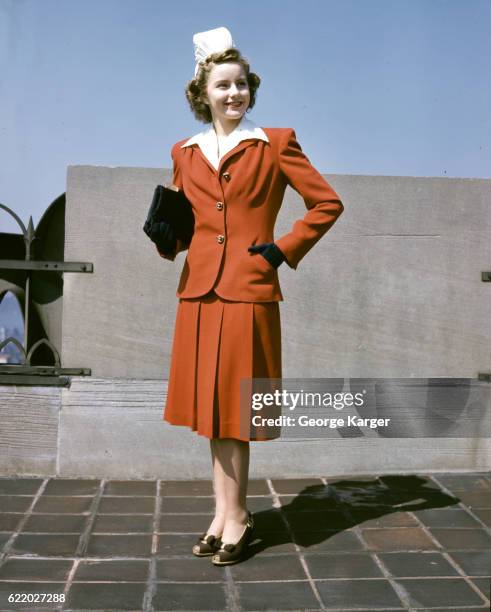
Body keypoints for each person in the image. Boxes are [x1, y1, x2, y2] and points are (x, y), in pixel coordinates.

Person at [158, 26, 344, 565]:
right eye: (222, 86)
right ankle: (223, 513)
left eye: (241, 84)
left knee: (235, 410)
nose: (234, 94)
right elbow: (184, 222)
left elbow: (326, 204)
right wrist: (165, 238)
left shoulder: (276, 143)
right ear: (202, 95)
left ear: (251, 89)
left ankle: (238, 515)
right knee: (210, 412)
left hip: (249, 291)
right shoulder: (184, 151)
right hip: (198, 292)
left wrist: (280, 250)